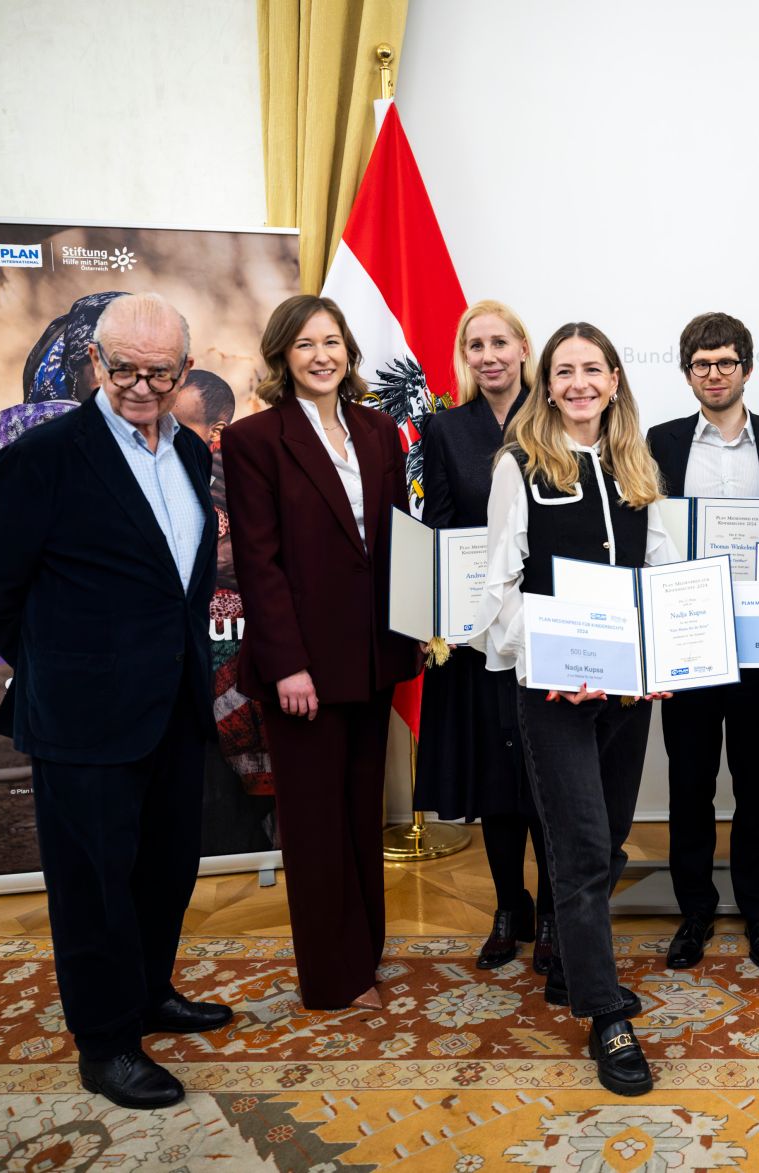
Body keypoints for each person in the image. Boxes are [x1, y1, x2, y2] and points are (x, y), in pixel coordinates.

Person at [0, 292, 230, 1109]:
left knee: (166, 867)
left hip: (173, 705)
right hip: (82, 717)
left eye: (160, 372)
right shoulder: (43, 456)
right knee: (92, 886)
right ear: (95, 363)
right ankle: (105, 1043)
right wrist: (58, 664)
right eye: (125, 370)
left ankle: (148, 992)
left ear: (184, 370)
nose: (141, 387)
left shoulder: (190, 453)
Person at [474, 321, 676, 1097]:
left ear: (615, 380)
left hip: (628, 691)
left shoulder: (636, 463)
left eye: (594, 369)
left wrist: (664, 656)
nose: (580, 382)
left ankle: (564, 957)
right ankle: (605, 1013)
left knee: (610, 837)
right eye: (565, 371)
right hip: (554, 694)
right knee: (584, 847)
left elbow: (660, 572)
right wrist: (558, 661)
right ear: (548, 384)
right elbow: (499, 588)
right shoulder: (519, 464)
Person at [222, 294, 421, 1012]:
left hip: (372, 655)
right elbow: (258, 562)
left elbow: (396, 540)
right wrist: (287, 664)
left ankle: (364, 952)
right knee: (314, 825)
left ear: (349, 350)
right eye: (305, 344)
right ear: (283, 354)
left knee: (362, 812)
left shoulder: (377, 430)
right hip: (302, 666)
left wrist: (419, 620)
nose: (321, 356)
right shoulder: (255, 439)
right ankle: (333, 978)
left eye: (331, 341)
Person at [415, 300, 553, 973]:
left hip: (546, 625)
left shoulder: (555, 414)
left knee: (549, 777)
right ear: (464, 356)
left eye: (501, 341)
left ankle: (553, 912)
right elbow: (440, 528)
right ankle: (509, 907)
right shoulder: (446, 428)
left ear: (524, 347)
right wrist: (435, 617)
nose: (489, 355)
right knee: (498, 778)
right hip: (477, 634)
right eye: (476, 345)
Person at [646, 311, 759, 970]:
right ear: (687, 373)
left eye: (725, 362)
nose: (713, 373)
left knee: (757, 781)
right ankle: (695, 911)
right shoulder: (662, 441)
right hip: (688, 641)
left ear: (746, 369)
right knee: (690, 782)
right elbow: (649, 539)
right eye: (701, 364)